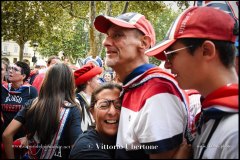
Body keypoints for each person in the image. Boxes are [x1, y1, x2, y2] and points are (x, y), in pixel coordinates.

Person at [94, 12, 192, 159]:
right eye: (107, 35)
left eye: (117, 35)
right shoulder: (135, 85)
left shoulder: (157, 92)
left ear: (144, 43)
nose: (105, 42)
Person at [146, 6, 238, 159]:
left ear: (206, 51)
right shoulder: (212, 113)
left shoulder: (234, 131)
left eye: (171, 55)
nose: (167, 65)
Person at [2, 63, 83, 159]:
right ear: (69, 82)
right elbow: (78, 148)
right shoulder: (72, 109)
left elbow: (7, 135)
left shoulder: (32, 103)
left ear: (47, 80)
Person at [69, 82, 122, 159]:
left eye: (119, 106)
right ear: (92, 112)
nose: (112, 112)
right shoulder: (86, 149)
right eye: (104, 105)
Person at [1, 61, 38, 141]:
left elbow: (37, 116)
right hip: (5, 134)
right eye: (10, 68)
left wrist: (28, 136)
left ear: (23, 76)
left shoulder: (31, 91)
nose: (10, 71)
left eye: (15, 70)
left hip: (23, 137)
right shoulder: (3, 89)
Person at [74, 62, 103, 132]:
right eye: (97, 79)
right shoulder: (77, 102)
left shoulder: (97, 97)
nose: (99, 82)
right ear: (89, 81)